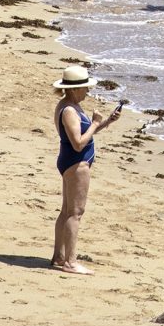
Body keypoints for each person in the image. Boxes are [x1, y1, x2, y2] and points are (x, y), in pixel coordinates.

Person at [51, 64, 122, 274]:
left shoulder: (68, 105)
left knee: (66, 212)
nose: (87, 91)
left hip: (70, 161)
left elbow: (84, 134)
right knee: (75, 213)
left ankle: (58, 256)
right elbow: (79, 143)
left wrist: (106, 122)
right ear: (74, 89)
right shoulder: (70, 110)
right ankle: (70, 262)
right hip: (76, 163)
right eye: (84, 88)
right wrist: (94, 123)